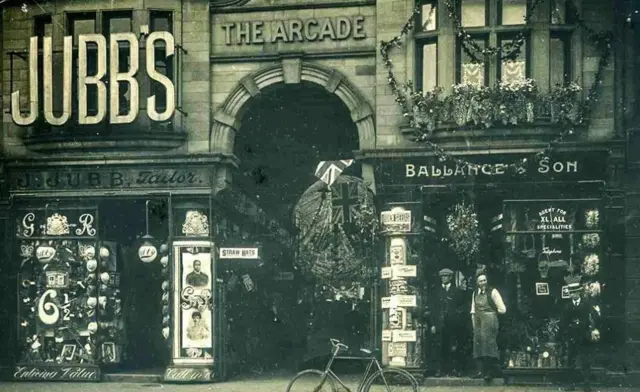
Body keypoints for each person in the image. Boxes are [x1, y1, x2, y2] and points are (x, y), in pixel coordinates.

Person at [560, 283, 601, 392]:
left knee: (585, 362)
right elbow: (563, 323)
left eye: (576, 292)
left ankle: (586, 386)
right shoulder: (567, 306)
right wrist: (567, 335)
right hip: (572, 338)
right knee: (570, 363)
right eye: (572, 292)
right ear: (570, 294)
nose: (574, 294)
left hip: (584, 338)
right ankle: (570, 385)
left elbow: (594, 317)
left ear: (579, 292)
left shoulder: (586, 304)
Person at [428, 268, 465, 377]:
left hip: (453, 325)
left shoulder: (457, 291)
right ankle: (439, 370)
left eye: (446, 276)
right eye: (442, 277)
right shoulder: (436, 291)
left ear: (450, 277)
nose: (443, 278)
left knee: (453, 347)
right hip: (439, 324)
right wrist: (433, 324)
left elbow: (462, 308)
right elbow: (432, 309)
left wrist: (457, 319)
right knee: (439, 347)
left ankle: (454, 369)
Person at [470, 272, 506, 382]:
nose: (483, 283)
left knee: (489, 345)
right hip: (478, 321)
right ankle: (480, 371)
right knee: (478, 344)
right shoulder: (475, 293)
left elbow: (503, 309)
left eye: (484, 280)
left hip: (490, 321)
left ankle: (490, 372)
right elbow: (473, 310)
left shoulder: (493, 292)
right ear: (477, 283)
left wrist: (491, 314)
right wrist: (474, 324)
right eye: (480, 281)